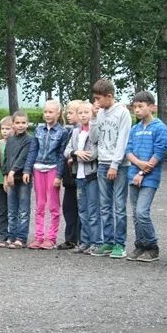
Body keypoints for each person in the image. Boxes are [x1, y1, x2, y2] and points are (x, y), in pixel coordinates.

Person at [89, 79, 132, 259]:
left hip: (119, 165)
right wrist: (93, 117)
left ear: (109, 96)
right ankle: (107, 241)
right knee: (104, 206)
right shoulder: (100, 113)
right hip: (102, 162)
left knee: (119, 206)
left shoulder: (122, 113)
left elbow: (123, 140)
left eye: (99, 99)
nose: (96, 102)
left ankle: (120, 244)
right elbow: (94, 138)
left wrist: (115, 164)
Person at [124, 91, 167, 262]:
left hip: (149, 178)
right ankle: (140, 245)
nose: (137, 110)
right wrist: (138, 165)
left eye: (140, 106)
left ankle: (152, 246)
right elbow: (128, 151)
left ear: (152, 107)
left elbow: (159, 152)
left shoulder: (160, 128)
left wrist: (143, 171)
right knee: (135, 214)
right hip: (133, 175)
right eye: (134, 107)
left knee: (142, 212)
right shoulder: (134, 129)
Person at [23, 100, 67, 250]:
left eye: (51, 112)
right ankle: (39, 236)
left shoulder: (63, 132)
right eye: (46, 112)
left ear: (58, 113)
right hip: (38, 168)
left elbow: (62, 156)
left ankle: (51, 237)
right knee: (40, 205)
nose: (48, 115)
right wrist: (27, 170)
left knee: (53, 205)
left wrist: (59, 176)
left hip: (53, 168)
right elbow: (33, 151)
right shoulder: (38, 130)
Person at [64, 102, 100, 255]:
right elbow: (67, 151)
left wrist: (77, 154)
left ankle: (95, 242)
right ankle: (84, 241)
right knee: (82, 210)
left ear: (92, 114)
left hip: (91, 176)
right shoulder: (75, 132)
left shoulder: (95, 132)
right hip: (77, 176)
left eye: (87, 112)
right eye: (81, 113)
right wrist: (75, 153)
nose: (84, 115)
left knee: (93, 210)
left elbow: (93, 153)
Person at [2, 111, 33, 249]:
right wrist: (5, 175)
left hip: (22, 178)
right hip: (10, 178)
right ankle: (12, 235)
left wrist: (12, 172)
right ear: (13, 124)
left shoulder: (29, 140)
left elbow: (22, 157)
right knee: (11, 209)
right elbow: (6, 158)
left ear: (27, 124)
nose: (21, 125)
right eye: (18, 123)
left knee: (23, 209)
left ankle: (21, 237)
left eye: (23, 123)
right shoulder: (10, 139)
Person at [58, 100, 82, 250]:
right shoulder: (70, 132)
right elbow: (65, 154)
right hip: (69, 179)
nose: (68, 115)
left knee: (80, 209)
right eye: (67, 112)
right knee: (68, 207)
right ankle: (70, 238)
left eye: (71, 112)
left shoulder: (83, 131)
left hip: (79, 176)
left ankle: (79, 239)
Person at [0, 116, 13, 245]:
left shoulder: (15, 144)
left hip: (12, 182)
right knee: (2, 209)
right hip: (0, 181)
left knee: (13, 209)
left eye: (8, 128)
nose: (5, 131)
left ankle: (13, 233)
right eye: (3, 129)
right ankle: (3, 233)